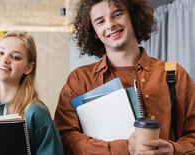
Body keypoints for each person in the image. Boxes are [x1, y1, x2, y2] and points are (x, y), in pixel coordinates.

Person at [54, 0, 195, 154]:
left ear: (133, 16)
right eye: (100, 21)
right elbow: (65, 138)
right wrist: (123, 148)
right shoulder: (79, 80)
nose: (110, 24)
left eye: (118, 14)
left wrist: (174, 149)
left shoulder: (175, 74)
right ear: (94, 32)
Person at [0, 31, 63, 154]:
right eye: (0, 53)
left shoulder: (35, 112)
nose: (4, 59)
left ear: (28, 68)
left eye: (15, 57)